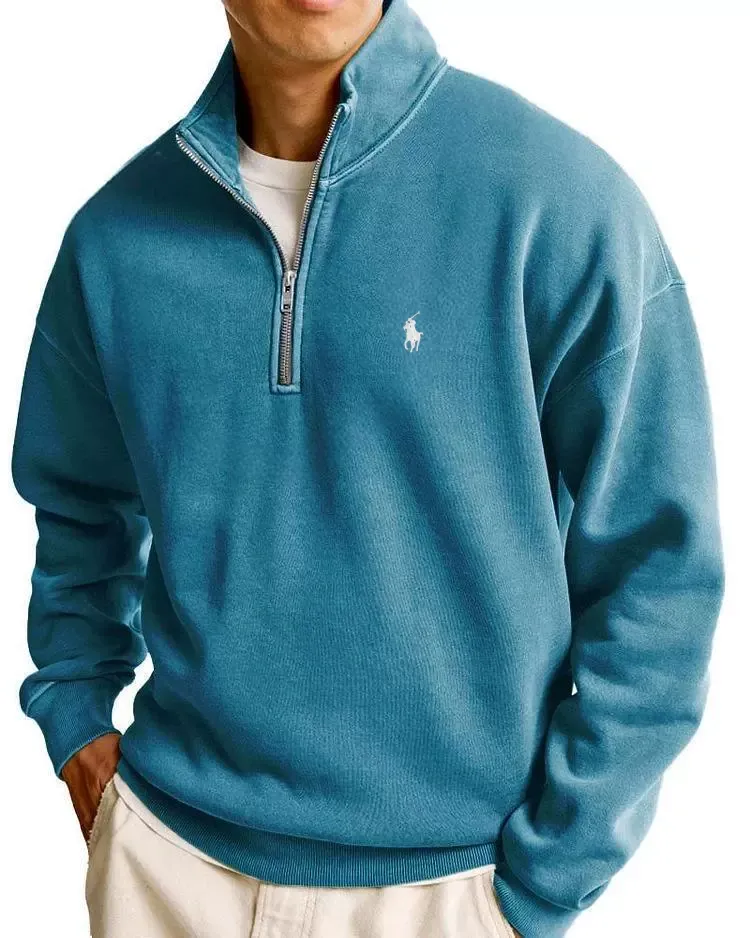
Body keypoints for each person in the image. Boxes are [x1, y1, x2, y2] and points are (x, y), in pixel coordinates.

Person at [11, 1, 725, 936]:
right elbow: (78, 506)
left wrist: (547, 878)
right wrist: (75, 710)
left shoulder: (558, 202)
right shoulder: (114, 239)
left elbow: (661, 570)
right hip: (168, 872)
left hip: (452, 891)